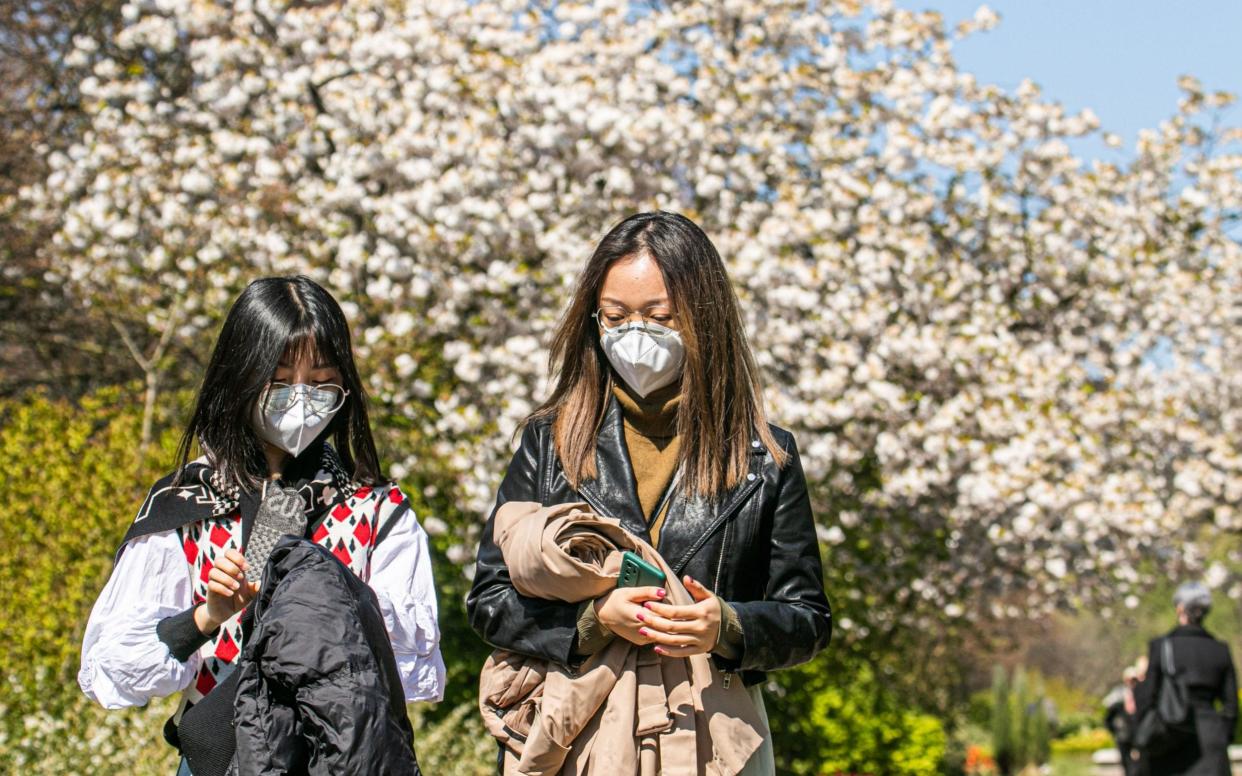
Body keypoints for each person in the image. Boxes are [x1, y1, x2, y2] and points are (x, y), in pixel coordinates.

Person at [466, 211, 833, 773]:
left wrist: (726, 627)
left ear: (703, 318)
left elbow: (806, 617)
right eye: (615, 317)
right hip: (579, 732)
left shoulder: (765, 457)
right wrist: (594, 620)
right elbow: (490, 603)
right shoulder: (550, 442)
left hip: (713, 731)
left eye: (659, 316)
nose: (635, 334)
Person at [79, 276, 445, 773]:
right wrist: (206, 618)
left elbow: (410, 667)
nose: (301, 398)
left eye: (321, 382)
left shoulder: (375, 509)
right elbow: (117, 669)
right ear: (242, 377)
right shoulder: (188, 503)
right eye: (279, 379)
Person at [1134, 582, 1237, 776]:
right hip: (1210, 739)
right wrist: (1223, 736)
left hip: (1169, 736)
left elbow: (1147, 696)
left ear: (1180, 608)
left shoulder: (1162, 647)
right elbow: (1231, 706)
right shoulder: (1220, 650)